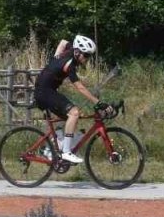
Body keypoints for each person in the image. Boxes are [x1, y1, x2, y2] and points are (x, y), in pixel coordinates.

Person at [34, 34, 113, 164]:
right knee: (74, 113)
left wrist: (55, 57)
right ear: (77, 52)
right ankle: (66, 152)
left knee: (73, 117)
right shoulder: (69, 64)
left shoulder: (72, 50)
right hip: (44, 93)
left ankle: (53, 146)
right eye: (86, 55)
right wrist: (98, 103)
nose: (87, 59)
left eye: (89, 56)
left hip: (47, 90)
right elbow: (79, 87)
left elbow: (63, 42)